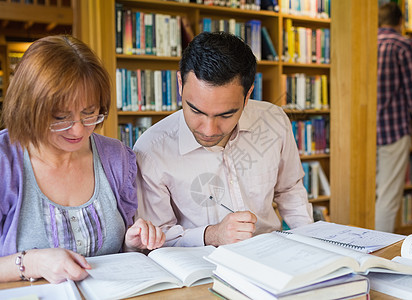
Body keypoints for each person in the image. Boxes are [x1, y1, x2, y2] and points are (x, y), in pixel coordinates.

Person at [0, 35, 165, 283]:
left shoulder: (116, 157)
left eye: (89, 114)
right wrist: (31, 262)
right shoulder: (6, 161)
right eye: (60, 118)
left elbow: (119, 255)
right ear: (29, 108)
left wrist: (132, 245)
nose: (78, 130)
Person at [134, 31, 313, 247]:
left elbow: (289, 190)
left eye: (225, 115)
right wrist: (212, 235)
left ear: (248, 95)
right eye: (196, 111)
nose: (209, 130)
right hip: (201, 268)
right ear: (180, 83)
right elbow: (157, 239)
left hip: (271, 256)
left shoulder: (273, 120)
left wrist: (311, 244)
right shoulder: (151, 151)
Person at [375, 3, 412, 232]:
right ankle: (378, 252)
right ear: (400, 21)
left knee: (367, 196)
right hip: (393, 130)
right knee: (387, 198)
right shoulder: (403, 45)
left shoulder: (364, 44)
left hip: (363, 133)